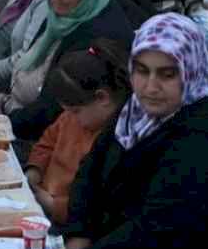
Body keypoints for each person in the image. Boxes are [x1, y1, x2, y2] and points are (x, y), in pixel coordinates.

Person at [60, 14, 208, 249]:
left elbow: (159, 232)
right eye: (142, 71)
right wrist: (78, 236)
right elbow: (91, 169)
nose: (151, 87)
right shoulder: (140, 110)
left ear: (190, 71)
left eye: (167, 74)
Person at [0, 0, 135, 140]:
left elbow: (53, 108)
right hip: (16, 109)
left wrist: (4, 122)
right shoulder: (67, 14)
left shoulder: (98, 36)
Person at [26, 44, 131, 224]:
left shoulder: (114, 140)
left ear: (102, 98)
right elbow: (47, 143)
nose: (72, 117)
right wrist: (34, 170)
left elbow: (95, 202)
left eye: (75, 111)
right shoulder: (70, 118)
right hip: (41, 197)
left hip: (68, 220)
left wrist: (53, 205)